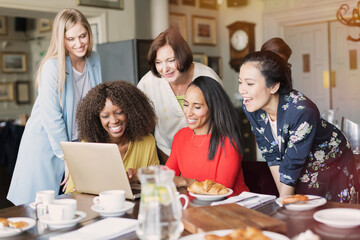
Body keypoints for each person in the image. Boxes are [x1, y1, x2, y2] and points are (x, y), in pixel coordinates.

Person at [7, 9, 102, 205]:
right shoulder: (51, 66)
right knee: (39, 207)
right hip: (46, 144)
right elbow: (52, 117)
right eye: (71, 39)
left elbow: (97, 103)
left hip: (78, 143)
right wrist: (66, 156)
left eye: (82, 36)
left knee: (77, 204)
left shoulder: (95, 60)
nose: (78, 43)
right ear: (61, 39)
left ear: (89, 33)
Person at [238, 50, 359, 202]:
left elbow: (291, 165)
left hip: (330, 157)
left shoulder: (301, 111)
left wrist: (284, 201)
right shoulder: (250, 105)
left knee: (328, 209)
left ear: (274, 87)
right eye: (240, 82)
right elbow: (271, 155)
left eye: (249, 83)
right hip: (297, 161)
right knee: (294, 203)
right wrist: (283, 199)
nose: (242, 90)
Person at [138, 28, 221, 164]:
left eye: (171, 60)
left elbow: (223, 119)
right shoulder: (149, 82)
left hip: (208, 151)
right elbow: (136, 118)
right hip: (167, 153)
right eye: (158, 62)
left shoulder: (207, 76)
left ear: (183, 55)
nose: (165, 69)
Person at [65, 81, 159, 193]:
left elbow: (157, 182)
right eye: (105, 116)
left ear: (131, 112)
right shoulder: (87, 146)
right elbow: (72, 192)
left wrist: (137, 177)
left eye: (119, 113)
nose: (114, 121)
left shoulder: (147, 141)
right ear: (96, 119)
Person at [165, 76, 249, 195]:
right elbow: (167, 176)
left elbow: (221, 190)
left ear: (213, 108)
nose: (188, 113)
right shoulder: (181, 136)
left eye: (197, 107)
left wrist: (184, 181)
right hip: (195, 207)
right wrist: (138, 176)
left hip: (231, 207)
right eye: (186, 104)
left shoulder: (228, 140)